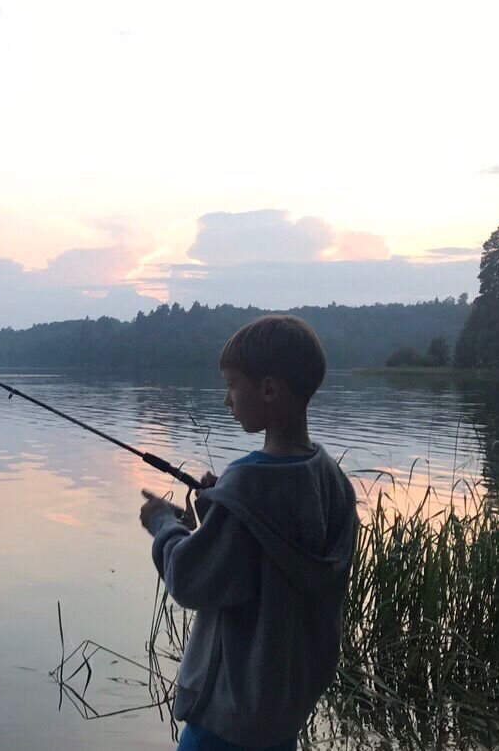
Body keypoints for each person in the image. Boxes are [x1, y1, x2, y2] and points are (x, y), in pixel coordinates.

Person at [139, 315, 357, 751]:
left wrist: (164, 525)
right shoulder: (331, 480)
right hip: (280, 717)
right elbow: (267, 552)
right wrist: (216, 508)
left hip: (224, 721)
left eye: (232, 385)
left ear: (269, 389)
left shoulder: (247, 483)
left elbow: (190, 579)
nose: (226, 400)